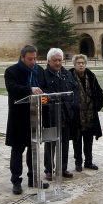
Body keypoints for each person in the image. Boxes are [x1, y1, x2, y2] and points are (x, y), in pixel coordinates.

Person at [4, 45, 45, 195]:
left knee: (33, 150)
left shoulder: (39, 71)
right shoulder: (11, 71)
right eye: (30, 59)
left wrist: (45, 97)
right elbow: (12, 88)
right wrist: (30, 89)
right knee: (17, 151)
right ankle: (16, 181)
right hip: (18, 118)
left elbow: (44, 88)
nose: (33, 61)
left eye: (35, 58)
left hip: (35, 116)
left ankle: (33, 178)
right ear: (22, 57)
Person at [38, 48, 80, 180]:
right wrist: (47, 102)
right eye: (55, 60)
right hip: (50, 116)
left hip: (66, 115)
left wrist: (73, 105)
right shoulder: (43, 75)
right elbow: (41, 96)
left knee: (64, 143)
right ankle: (49, 170)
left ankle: (63, 168)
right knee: (50, 143)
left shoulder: (67, 74)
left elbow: (75, 90)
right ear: (48, 61)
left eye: (59, 60)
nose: (57, 63)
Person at [70, 54, 103, 171]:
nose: (81, 65)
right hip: (76, 115)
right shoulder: (69, 76)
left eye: (83, 63)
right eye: (78, 63)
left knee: (88, 140)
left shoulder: (91, 76)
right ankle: (78, 162)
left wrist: (97, 107)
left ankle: (88, 161)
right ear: (74, 64)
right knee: (77, 140)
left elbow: (99, 92)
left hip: (90, 114)